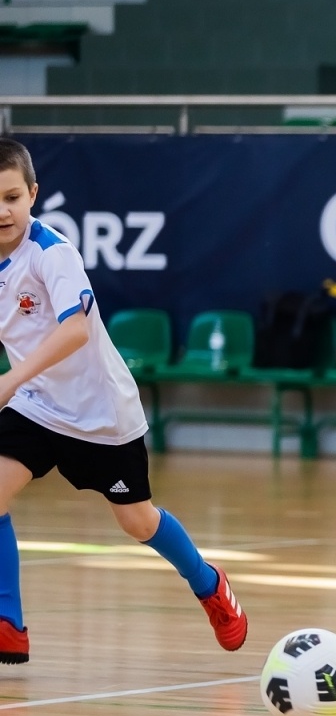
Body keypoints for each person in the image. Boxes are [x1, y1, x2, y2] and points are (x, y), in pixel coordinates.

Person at [0, 138, 247, 664]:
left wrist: (8, 380)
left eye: (12, 197)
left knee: (137, 521)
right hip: (37, 403)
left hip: (100, 414)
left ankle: (209, 584)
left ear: (33, 195)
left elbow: (74, 332)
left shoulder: (52, 253)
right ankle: (9, 624)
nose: (3, 210)